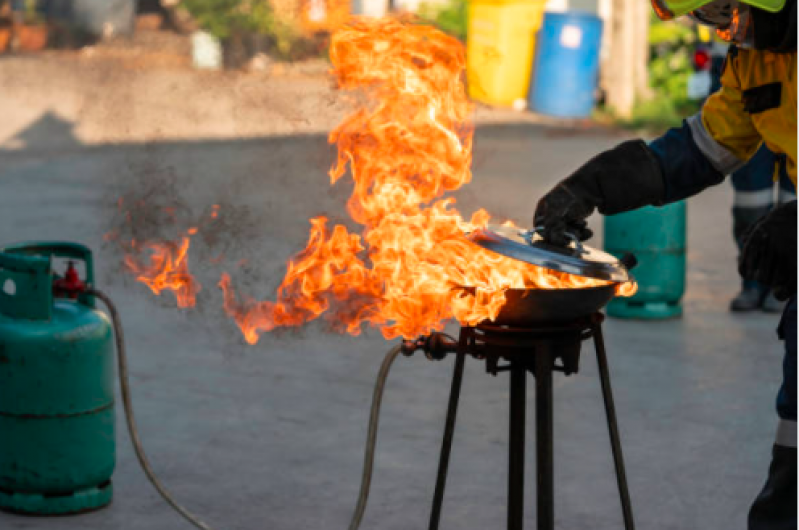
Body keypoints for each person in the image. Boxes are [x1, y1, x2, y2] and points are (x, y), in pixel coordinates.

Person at [533, 1, 796, 528]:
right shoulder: (755, 58)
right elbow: (703, 148)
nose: (722, 28)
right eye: (706, 18)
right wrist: (593, 186)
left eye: (725, 10)